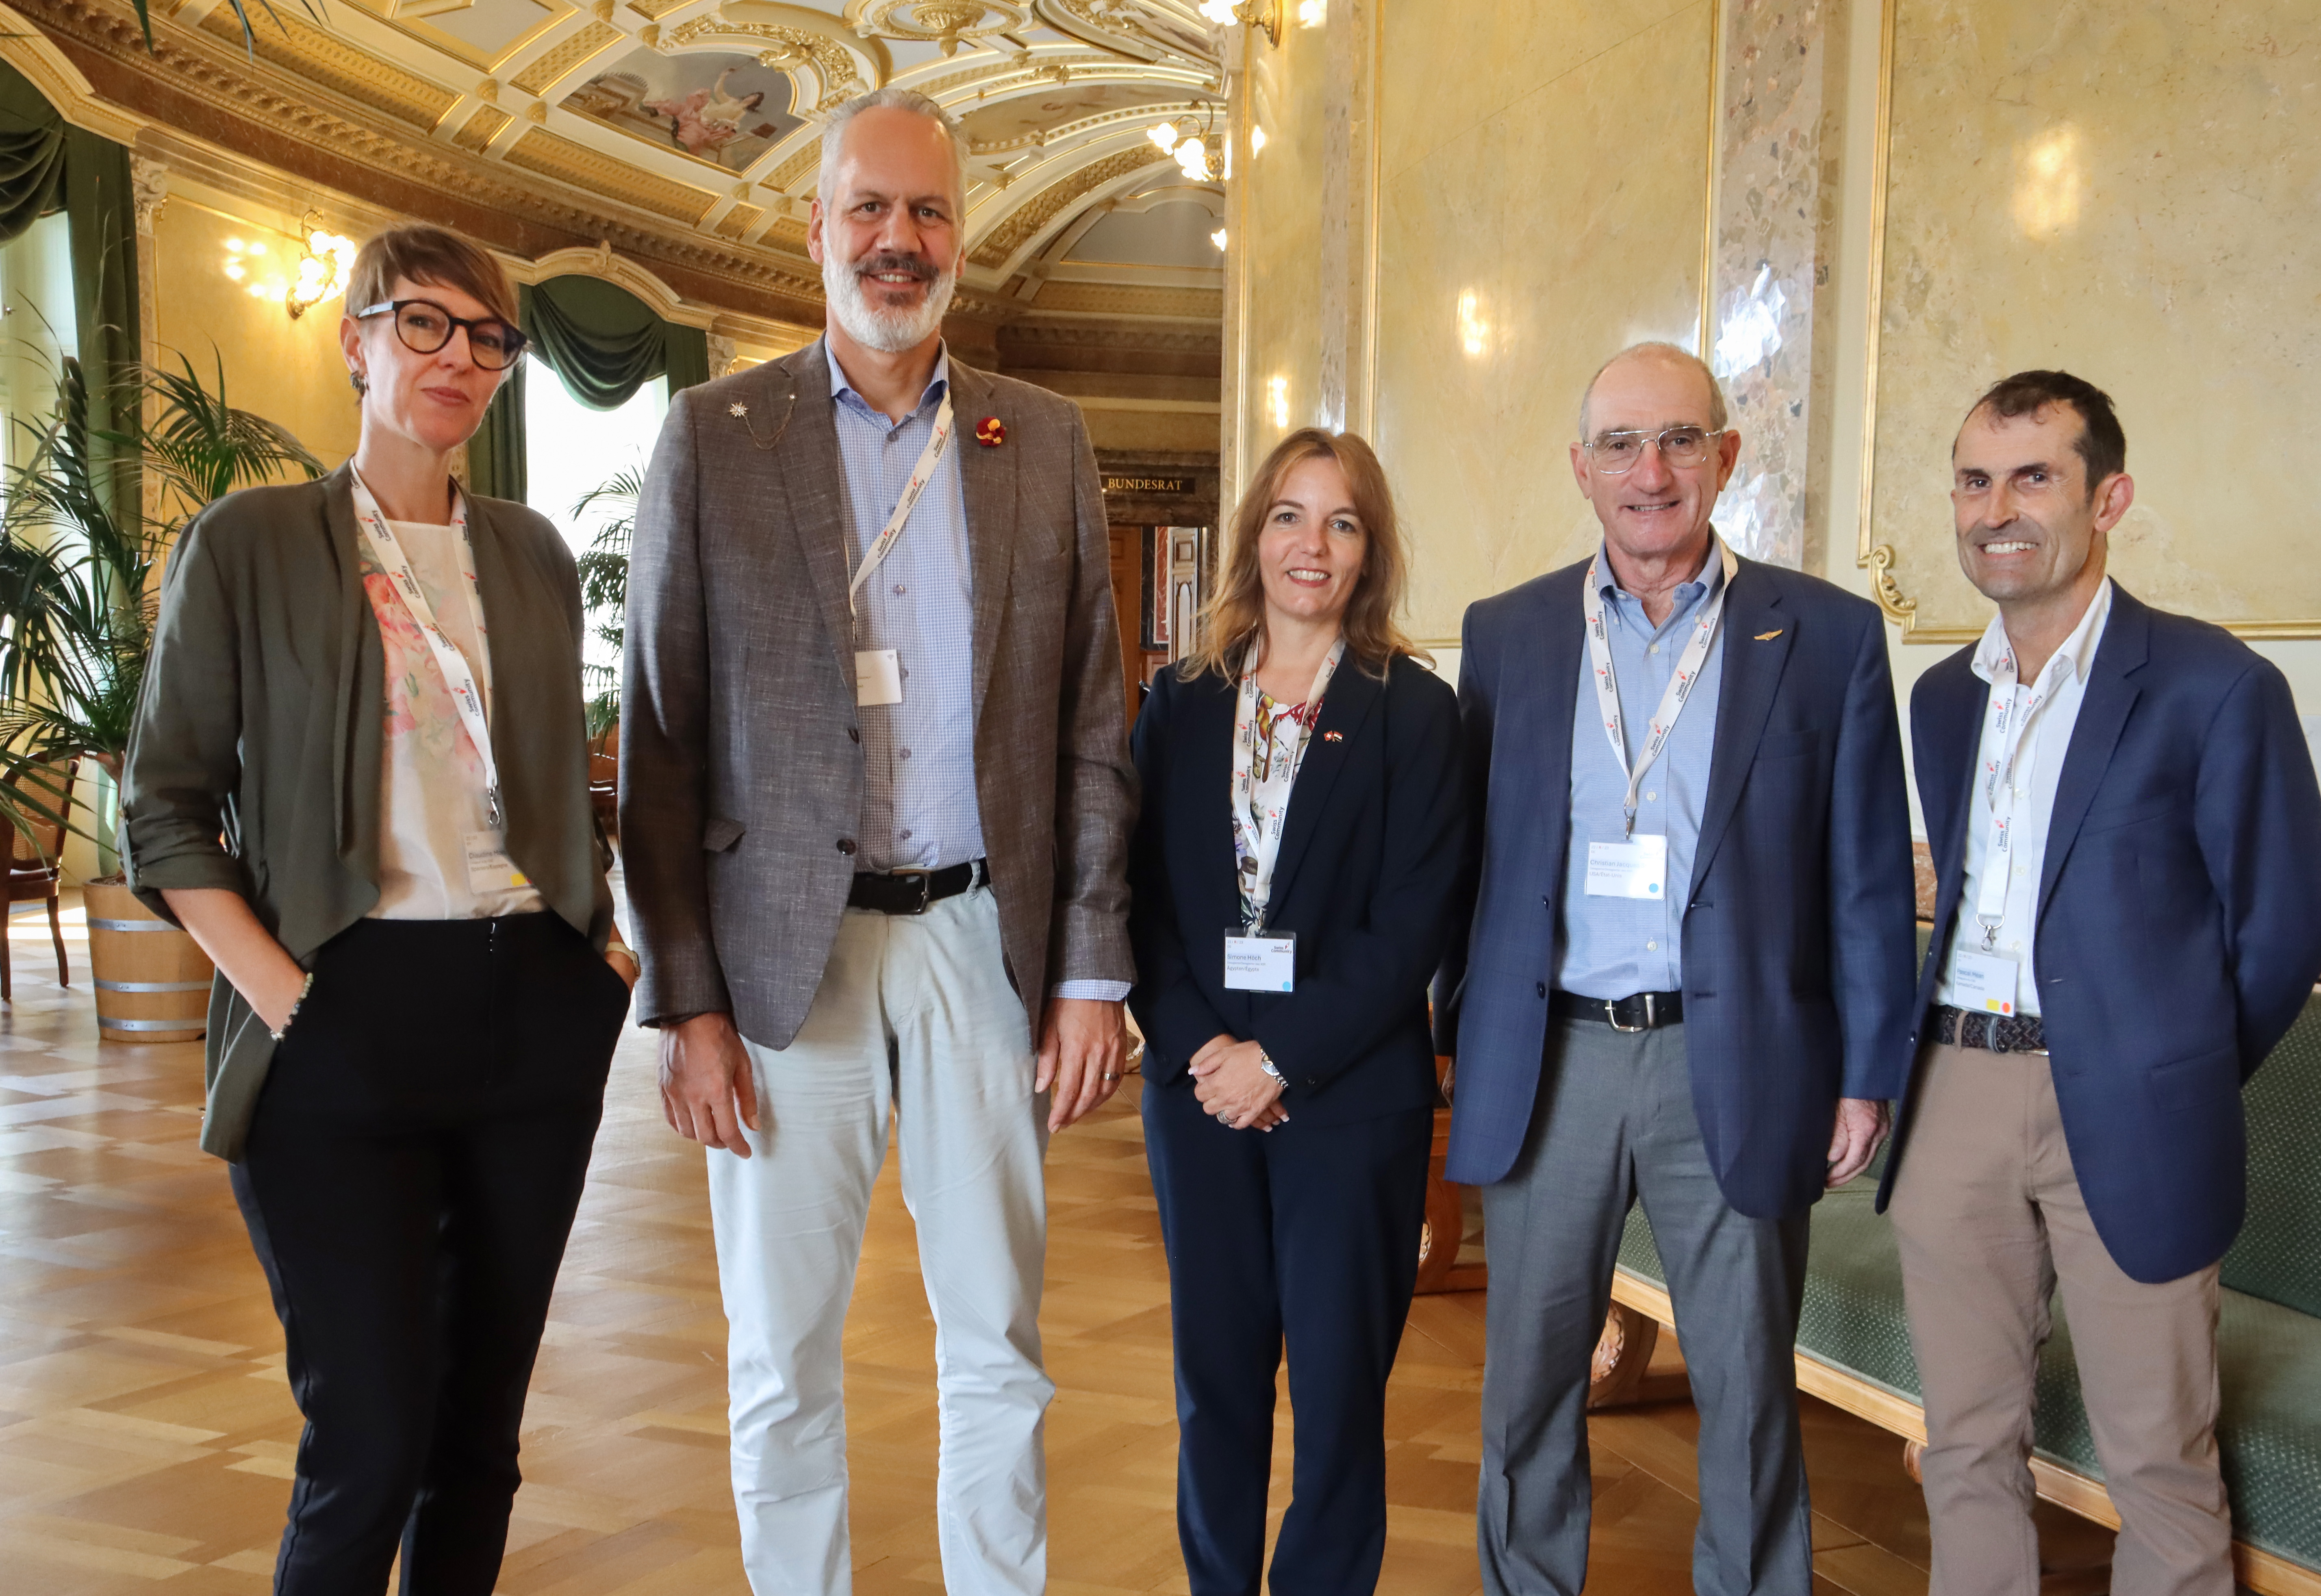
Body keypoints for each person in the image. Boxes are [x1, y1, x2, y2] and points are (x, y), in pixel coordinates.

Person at [618, 86, 1134, 1596]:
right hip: (786, 961)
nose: (897, 240)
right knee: (780, 1354)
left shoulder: (1041, 436)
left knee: (999, 1344)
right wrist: (686, 1001)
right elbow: (660, 742)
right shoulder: (714, 436)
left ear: (959, 238)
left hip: (984, 941)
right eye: (869, 208)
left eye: (927, 212)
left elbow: (1091, 723)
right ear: (816, 228)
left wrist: (1090, 974)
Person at [117, 224, 638, 1595]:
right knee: (368, 1437)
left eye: (487, 337)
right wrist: (287, 998)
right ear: (356, 342)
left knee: (478, 1443)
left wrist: (596, 954)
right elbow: (163, 809)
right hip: (340, 1014)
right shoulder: (251, 543)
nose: (457, 357)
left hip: (530, 1015)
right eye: (423, 323)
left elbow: (546, 785)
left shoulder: (530, 553)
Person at [1436, 341, 1918, 1596]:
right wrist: (1445, 1032)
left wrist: (1864, 1074)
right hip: (1554, 1058)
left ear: (1725, 457)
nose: (1649, 471)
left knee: (1748, 1388)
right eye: (1620, 444)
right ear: (1580, 468)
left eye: (1678, 440)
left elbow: (1867, 877)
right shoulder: (1507, 633)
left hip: (1742, 1056)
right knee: (1527, 1383)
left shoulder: (1826, 635)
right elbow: (1468, 860)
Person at [1881, 371, 2321, 1596]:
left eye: (2034, 477)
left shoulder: (2213, 685)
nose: (1996, 510)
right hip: (1951, 1088)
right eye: (1974, 481)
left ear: (2108, 499)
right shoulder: (1941, 698)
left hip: (2134, 1110)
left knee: (2159, 1464)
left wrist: (2169, 1066)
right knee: (1964, 1443)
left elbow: (2283, 926)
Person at [1129, 428, 1470, 1596]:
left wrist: (1277, 1056)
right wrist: (1205, 1053)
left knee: (1337, 1396)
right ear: (1254, 536)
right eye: (1288, 515)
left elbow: (1413, 922)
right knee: (1214, 1383)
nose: (1310, 544)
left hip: (1350, 1104)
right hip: (1199, 1100)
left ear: (1369, 549)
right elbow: (1139, 903)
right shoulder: (1179, 703)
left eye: (1341, 521)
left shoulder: (1414, 711)